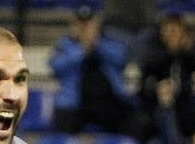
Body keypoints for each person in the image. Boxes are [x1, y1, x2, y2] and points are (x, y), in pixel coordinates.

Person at [49, 7, 133, 135]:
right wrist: (82, 49)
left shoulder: (109, 41)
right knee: (62, 119)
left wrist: (96, 43)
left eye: (89, 23)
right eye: (81, 23)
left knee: (133, 117)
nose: (85, 27)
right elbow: (56, 67)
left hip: (108, 101)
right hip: (75, 104)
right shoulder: (65, 45)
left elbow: (121, 60)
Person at [137, 13, 195, 144]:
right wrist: (159, 89)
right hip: (155, 114)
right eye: (169, 29)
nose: (172, 34)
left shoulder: (186, 55)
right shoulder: (153, 53)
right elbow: (143, 88)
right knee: (166, 113)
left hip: (184, 113)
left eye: (176, 30)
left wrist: (183, 50)